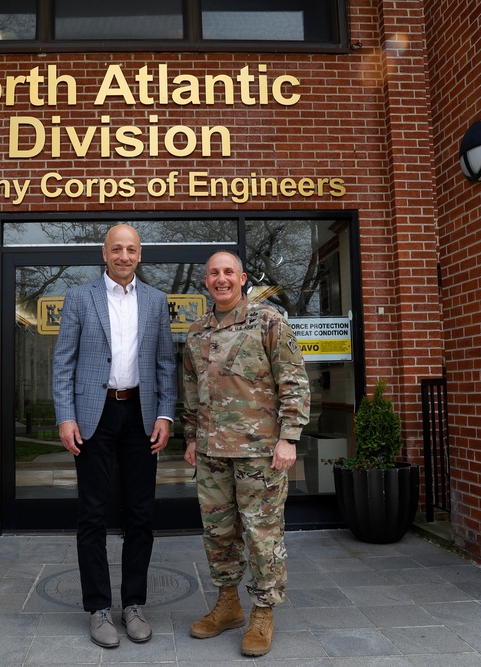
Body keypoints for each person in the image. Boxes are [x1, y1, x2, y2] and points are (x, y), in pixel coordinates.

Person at [52, 224, 177, 648]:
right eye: (116, 249)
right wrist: (65, 417)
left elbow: (165, 364)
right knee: (93, 514)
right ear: (104, 254)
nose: (124, 256)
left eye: (131, 249)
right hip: (94, 414)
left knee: (140, 514)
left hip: (141, 413)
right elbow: (63, 363)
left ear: (140, 255)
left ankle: (134, 604)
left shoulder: (157, 301)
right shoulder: (79, 297)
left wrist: (165, 413)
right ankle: (98, 608)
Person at [182, 250, 310, 657]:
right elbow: (190, 391)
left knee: (261, 534)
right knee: (218, 534)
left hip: (260, 452)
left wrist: (289, 437)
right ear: (206, 281)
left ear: (242, 278)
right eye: (214, 273)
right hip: (211, 451)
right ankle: (228, 604)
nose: (221, 279)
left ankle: (262, 611)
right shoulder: (197, 331)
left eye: (228, 273)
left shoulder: (268, 320)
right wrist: (190, 437)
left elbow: (293, 379)